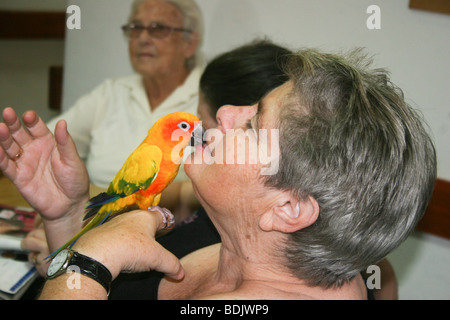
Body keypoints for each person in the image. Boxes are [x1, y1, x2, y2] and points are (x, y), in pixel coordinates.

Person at [1, 48, 435, 299]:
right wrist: (66, 215)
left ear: (288, 208)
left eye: (251, 124)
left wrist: (89, 260)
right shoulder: (237, 243)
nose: (225, 113)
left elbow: (83, 279)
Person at [47, 0, 204, 190]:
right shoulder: (111, 93)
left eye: (159, 28)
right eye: (136, 28)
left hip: (170, 218)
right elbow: (49, 144)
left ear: (190, 44)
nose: (143, 38)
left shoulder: (212, 98)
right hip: (96, 214)